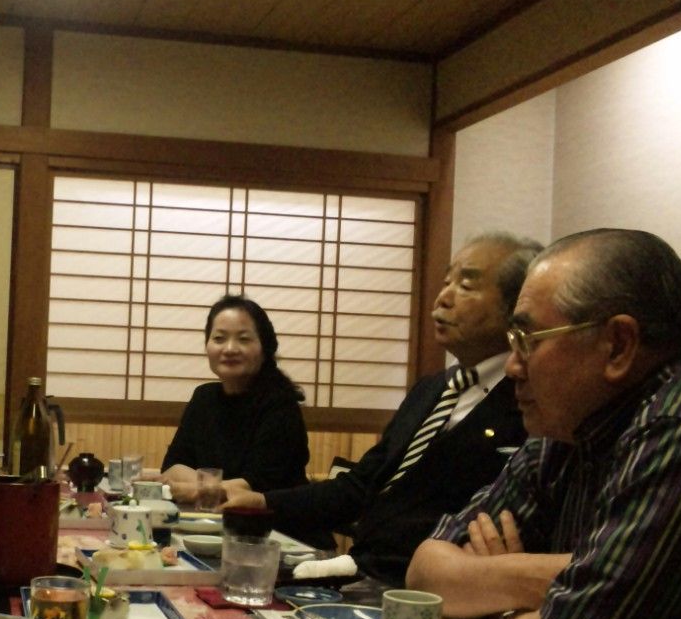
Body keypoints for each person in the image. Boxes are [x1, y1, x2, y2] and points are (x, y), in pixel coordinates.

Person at [407, 228, 681, 619]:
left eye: (527, 339)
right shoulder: (566, 426)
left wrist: (503, 605)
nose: (512, 365)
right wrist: (566, 578)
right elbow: (427, 573)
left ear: (618, 345)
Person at [223, 233, 541, 587]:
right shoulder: (432, 389)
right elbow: (361, 485)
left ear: (517, 308)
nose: (443, 298)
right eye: (445, 282)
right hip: (361, 574)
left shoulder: (531, 404)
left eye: (465, 285)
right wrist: (261, 501)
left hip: (429, 592)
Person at [158, 295, 311, 503]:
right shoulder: (203, 398)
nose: (229, 349)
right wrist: (215, 488)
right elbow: (172, 467)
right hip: (206, 518)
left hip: (273, 520)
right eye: (219, 338)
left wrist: (194, 489)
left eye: (244, 339)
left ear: (265, 348)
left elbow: (256, 486)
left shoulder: (280, 405)